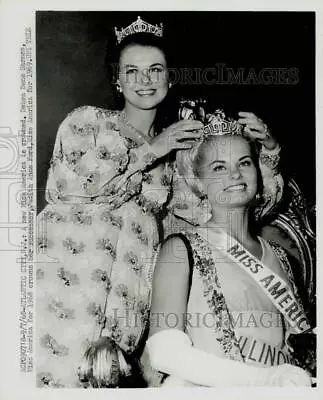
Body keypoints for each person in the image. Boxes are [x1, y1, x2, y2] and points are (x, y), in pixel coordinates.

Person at [35, 16, 204, 388]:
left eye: (155, 70)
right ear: (117, 79)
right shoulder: (87, 123)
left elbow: (212, 211)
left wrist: (267, 152)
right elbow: (71, 189)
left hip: (125, 306)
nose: (144, 80)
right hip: (66, 292)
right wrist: (151, 149)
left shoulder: (175, 155)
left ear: (170, 78)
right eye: (132, 71)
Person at [143, 112, 313, 387]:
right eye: (219, 167)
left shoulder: (281, 257)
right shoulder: (180, 249)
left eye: (244, 162)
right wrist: (264, 379)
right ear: (198, 182)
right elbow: (164, 352)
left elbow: (298, 350)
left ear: (258, 172)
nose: (235, 174)